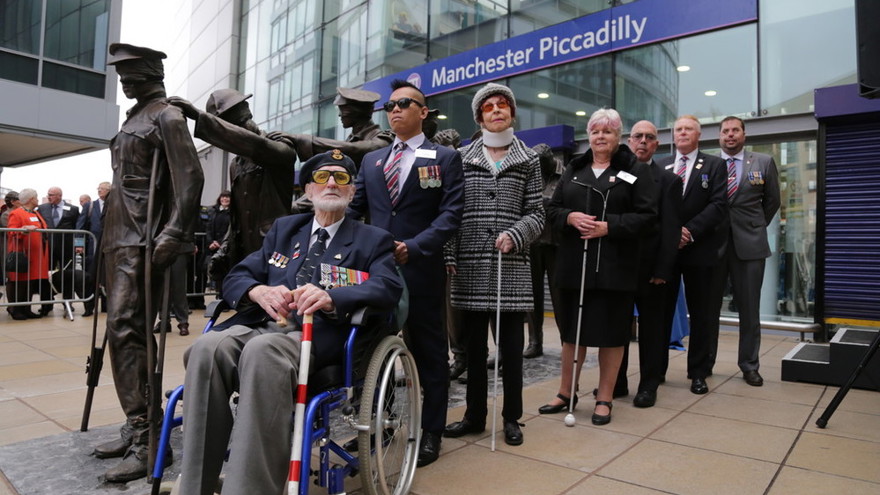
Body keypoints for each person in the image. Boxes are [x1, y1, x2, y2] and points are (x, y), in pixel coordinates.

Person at [178, 150, 403, 495]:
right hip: (261, 324)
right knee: (207, 347)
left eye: (341, 178)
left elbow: (387, 287)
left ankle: (249, 490)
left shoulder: (372, 239)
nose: (331, 183)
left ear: (352, 191)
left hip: (317, 336)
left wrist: (333, 297)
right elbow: (239, 274)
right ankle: (194, 487)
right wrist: (257, 291)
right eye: (322, 177)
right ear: (308, 191)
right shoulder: (285, 230)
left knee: (262, 351)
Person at [93, 43, 204, 483]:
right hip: (119, 236)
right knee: (121, 331)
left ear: (150, 72)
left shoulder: (167, 117)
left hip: (143, 238)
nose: (124, 79)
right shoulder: (133, 118)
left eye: (130, 72)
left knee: (129, 327)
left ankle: (148, 437)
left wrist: (174, 233)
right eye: (122, 72)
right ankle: (137, 421)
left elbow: (190, 178)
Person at [349, 79, 464, 467]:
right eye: (390, 106)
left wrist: (413, 248)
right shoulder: (372, 161)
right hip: (376, 274)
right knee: (372, 353)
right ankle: (377, 426)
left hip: (421, 271)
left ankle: (430, 431)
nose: (395, 110)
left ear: (423, 112)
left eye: (404, 103)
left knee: (430, 354)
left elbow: (450, 215)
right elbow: (356, 209)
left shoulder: (444, 157)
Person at [443, 82, 544, 445]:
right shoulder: (461, 157)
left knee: (512, 351)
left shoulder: (528, 158)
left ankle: (512, 417)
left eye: (503, 105)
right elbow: (451, 211)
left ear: (512, 113)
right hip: (469, 265)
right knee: (473, 349)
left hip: (510, 265)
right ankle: (474, 416)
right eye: (489, 107)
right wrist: (450, 253)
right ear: (480, 116)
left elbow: (537, 212)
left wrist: (516, 234)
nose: (497, 110)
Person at [541, 108, 656, 425]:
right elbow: (553, 210)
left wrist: (610, 226)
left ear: (618, 137)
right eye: (595, 131)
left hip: (615, 268)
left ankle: (604, 397)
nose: (600, 136)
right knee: (571, 336)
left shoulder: (633, 171)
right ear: (588, 136)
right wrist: (569, 217)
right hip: (573, 267)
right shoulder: (574, 170)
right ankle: (566, 392)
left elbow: (648, 218)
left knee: (611, 335)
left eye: (607, 131)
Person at [171, 89, 296, 276]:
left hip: (276, 248)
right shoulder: (235, 165)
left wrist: (200, 117)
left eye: (239, 125)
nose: (237, 132)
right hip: (245, 253)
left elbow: (257, 146)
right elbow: (236, 214)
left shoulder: (279, 145)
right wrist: (225, 247)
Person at [656, 115, 728, 395]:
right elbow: (655, 206)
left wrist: (688, 231)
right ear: (673, 136)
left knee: (701, 314)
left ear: (698, 135)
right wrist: (671, 234)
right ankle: (656, 370)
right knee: (661, 313)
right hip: (668, 252)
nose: (682, 133)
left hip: (700, 249)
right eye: (678, 129)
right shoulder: (662, 165)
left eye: (688, 129)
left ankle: (698, 372)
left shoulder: (715, 164)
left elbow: (719, 205)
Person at [615, 120, 683, 408]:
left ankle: (648, 385)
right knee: (617, 329)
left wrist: (663, 269)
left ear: (656, 144)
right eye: (638, 136)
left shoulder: (669, 181)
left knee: (652, 330)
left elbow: (671, 229)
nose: (643, 141)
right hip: (618, 268)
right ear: (629, 141)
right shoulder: (615, 177)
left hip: (652, 269)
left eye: (649, 137)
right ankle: (616, 384)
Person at [716, 116, 781, 387]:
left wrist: (754, 226)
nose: (730, 135)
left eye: (735, 130)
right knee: (707, 309)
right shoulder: (710, 164)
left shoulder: (763, 162)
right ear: (719, 136)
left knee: (749, 310)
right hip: (715, 246)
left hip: (750, 246)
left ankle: (749, 365)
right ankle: (703, 364)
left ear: (744, 134)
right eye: (725, 131)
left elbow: (773, 201)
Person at [284, 87, 394, 166]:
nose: (339, 115)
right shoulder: (352, 138)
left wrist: (304, 140)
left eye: (343, 110)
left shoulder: (384, 138)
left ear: (356, 112)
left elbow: (357, 149)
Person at [524, 143, 564, 359]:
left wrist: (544, 205)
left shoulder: (564, 174)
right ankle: (534, 342)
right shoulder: (532, 173)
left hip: (556, 244)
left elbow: (563, 205)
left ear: (549, 161)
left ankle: (564, 340)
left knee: (559, 296)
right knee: (533, 296)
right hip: (533, 242)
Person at [5, 189, 51, 321]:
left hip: (36, 254)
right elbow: (11, 232)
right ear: (31, 199)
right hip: (23, 254)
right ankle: (16, 309)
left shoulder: (35, 213)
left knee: (30, 282)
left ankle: (26, 309)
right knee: (20, 282)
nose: (38, 199)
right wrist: (23, 230)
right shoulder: (16, 213)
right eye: (36, 197)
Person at [204, 190, 232, 294]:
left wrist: (221, 243)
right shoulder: (213, 211)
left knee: (225, 272)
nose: (225, 199)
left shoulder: (232, 213)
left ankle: (224, 295)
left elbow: (229, 230)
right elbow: (208, 228)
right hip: (212, 247)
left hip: (225, 246)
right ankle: (218, 294)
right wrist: (211, 242)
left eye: (227, 197)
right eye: (223, 197)